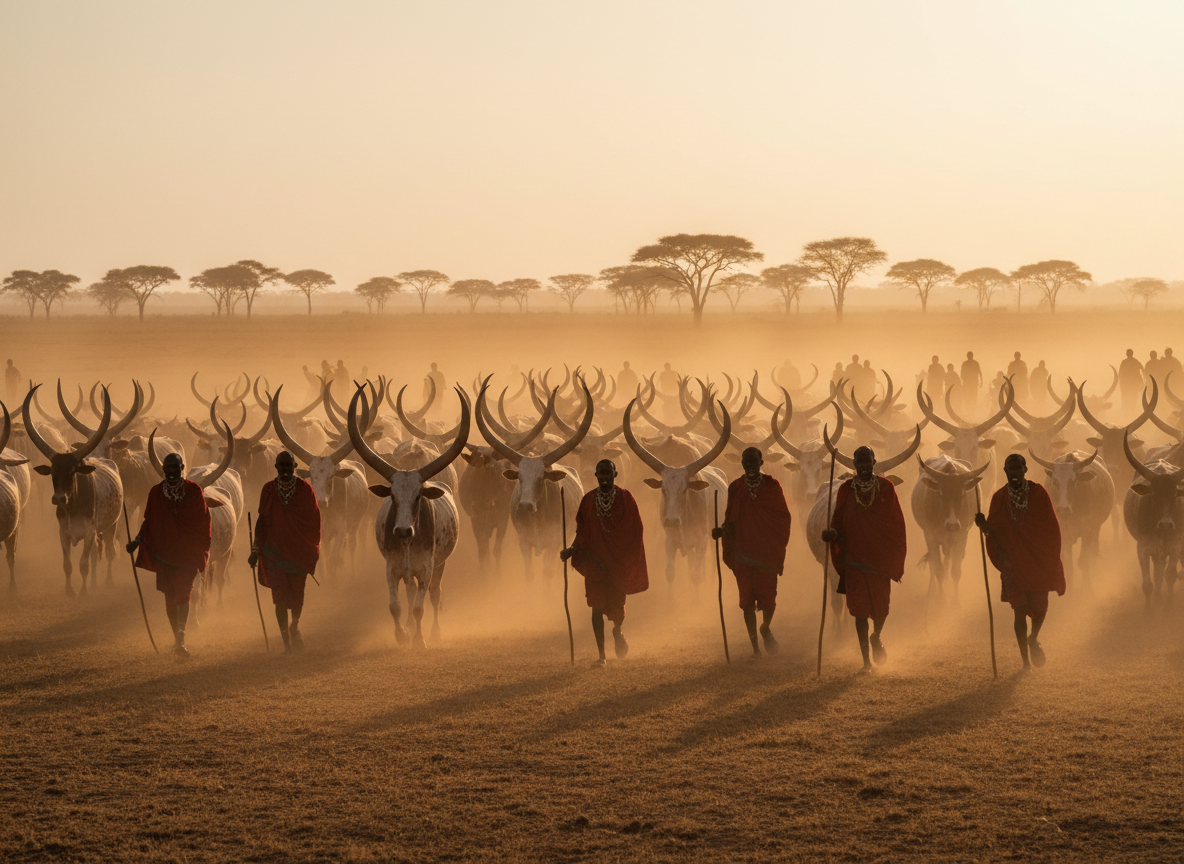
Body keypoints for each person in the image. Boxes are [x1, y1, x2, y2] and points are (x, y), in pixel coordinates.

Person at [975, 454, 1065, 671]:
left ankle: (1034, 638)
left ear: (1025, 470)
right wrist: (983, 525)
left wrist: (1048, 558)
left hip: (1037, 562)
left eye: (1018, 469)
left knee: (1040, 609)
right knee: (1019, 610)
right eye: (1010, 469)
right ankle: (1025, 662)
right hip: (1012, 565)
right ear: (1005, 471)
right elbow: (994, 533)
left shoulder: (1038, 494)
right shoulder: (998, 498)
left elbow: (1051, 530)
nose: (1014, 473)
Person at [821, 446, 907, 673]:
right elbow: (838, 520)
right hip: (855, 560)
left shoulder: (887, 488)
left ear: (874, 462)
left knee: (881, 610)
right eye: (860, 463)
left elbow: (896, 525)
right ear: (854, 465)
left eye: (868, 462)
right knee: (859, 611)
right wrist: (831, 533)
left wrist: (892, 559)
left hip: (879, 562)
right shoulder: (846, 489)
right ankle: (866, 662)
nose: (864, 467)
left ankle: (876, 636)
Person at [560, 460, 648, 668]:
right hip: (595, 565)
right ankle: (602, 656)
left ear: (616, 474)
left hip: (617, 565)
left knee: (617, 608)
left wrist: (623, 558)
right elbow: (581, 533)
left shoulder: (626, 499)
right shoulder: (589, 500)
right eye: (601, 474)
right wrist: (571, 550)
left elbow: (636, 531)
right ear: (596, 475)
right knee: (596, 607)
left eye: (609, 473)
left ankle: (617, 631)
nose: (605, 478)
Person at [126, 453, 212, 658]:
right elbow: (149, 522)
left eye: (175, 468)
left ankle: (181, 640)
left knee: (183, 596)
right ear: (163, 470)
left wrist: (200, 551)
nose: (171, 473)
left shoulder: (194, 491)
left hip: (188, 556)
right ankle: (176, 638)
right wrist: (136, 542)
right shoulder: (156, 493)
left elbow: (204, 524)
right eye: (168, 469)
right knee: (170, 598)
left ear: (182, 468)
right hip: (164, 555)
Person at [712, 447, 792, 657]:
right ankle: (755, 647)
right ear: (742, 464)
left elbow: (783, 518)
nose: (750, 467)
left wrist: (774, 544)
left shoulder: (772, 486)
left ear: (761, 462)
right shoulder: (736, 488)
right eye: (746, 463)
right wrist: (722, 530)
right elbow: (731, 518)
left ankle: (765, 628)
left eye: (754, 462)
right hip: (742, 552)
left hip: (766, 553)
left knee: (768, 600)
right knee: (746, 601)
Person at [248, 451, 321, 653]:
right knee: (279, 599)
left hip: (298, 555)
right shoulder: (268, 490)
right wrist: (255, 550)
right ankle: (286, 642)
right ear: (276, 468)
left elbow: (314, 522)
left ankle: (294, 626)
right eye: (281, 467)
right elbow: (262, 521)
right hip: (274, 554)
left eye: (289, 466)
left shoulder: (305, 490)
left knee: (297, 599)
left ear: (295, 466)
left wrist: (310, 550)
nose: (285, 470)